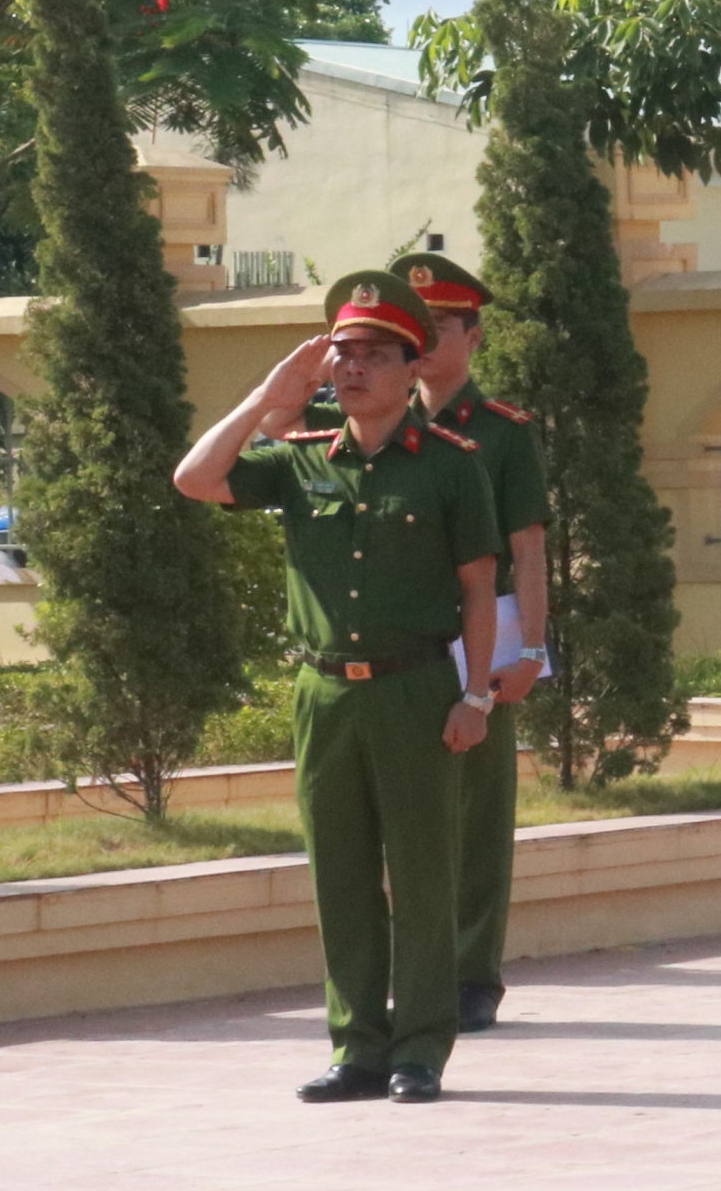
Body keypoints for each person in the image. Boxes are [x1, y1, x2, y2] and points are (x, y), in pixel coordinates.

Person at [175, 269, 501, 1103]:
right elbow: (195, 479)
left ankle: (420, 1047)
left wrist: (476, 697)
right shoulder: (297, 459)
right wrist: (267, 395)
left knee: (423, 873)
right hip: (325, 695)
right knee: (340, 874)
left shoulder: (451, 465)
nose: (351, 369)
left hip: (417, 689)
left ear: (410, 365)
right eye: (341, 354)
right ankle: (357, 1045)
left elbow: (476, 587)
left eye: (372, 355)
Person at [386, 252, 550, 1037]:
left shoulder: (501, 433)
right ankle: (413, 970)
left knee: (478, 812)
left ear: (474, 336)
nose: (423, 340)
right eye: (412, 327)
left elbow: (527, 551)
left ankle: (472, 973)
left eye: (440, 326)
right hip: (400, 639)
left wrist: (532, 652)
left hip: (479, 641)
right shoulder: (383, 424)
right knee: (407, 812)